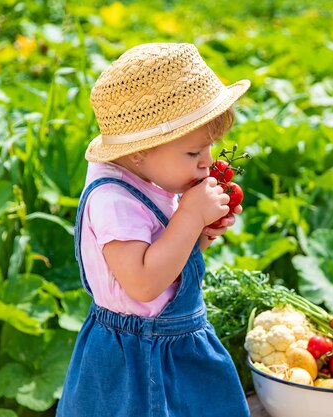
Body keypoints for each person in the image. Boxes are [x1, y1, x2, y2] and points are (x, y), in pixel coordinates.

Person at [56, 43, 251, 417]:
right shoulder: (113, 201)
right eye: (193, 153)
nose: (207, 162)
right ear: (138, 152)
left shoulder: (152, 179)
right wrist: (190, 217)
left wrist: (197, 238)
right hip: (134, 360)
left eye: (209, 149)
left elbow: (167, 268)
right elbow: (144, 284)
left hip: (177, 348)